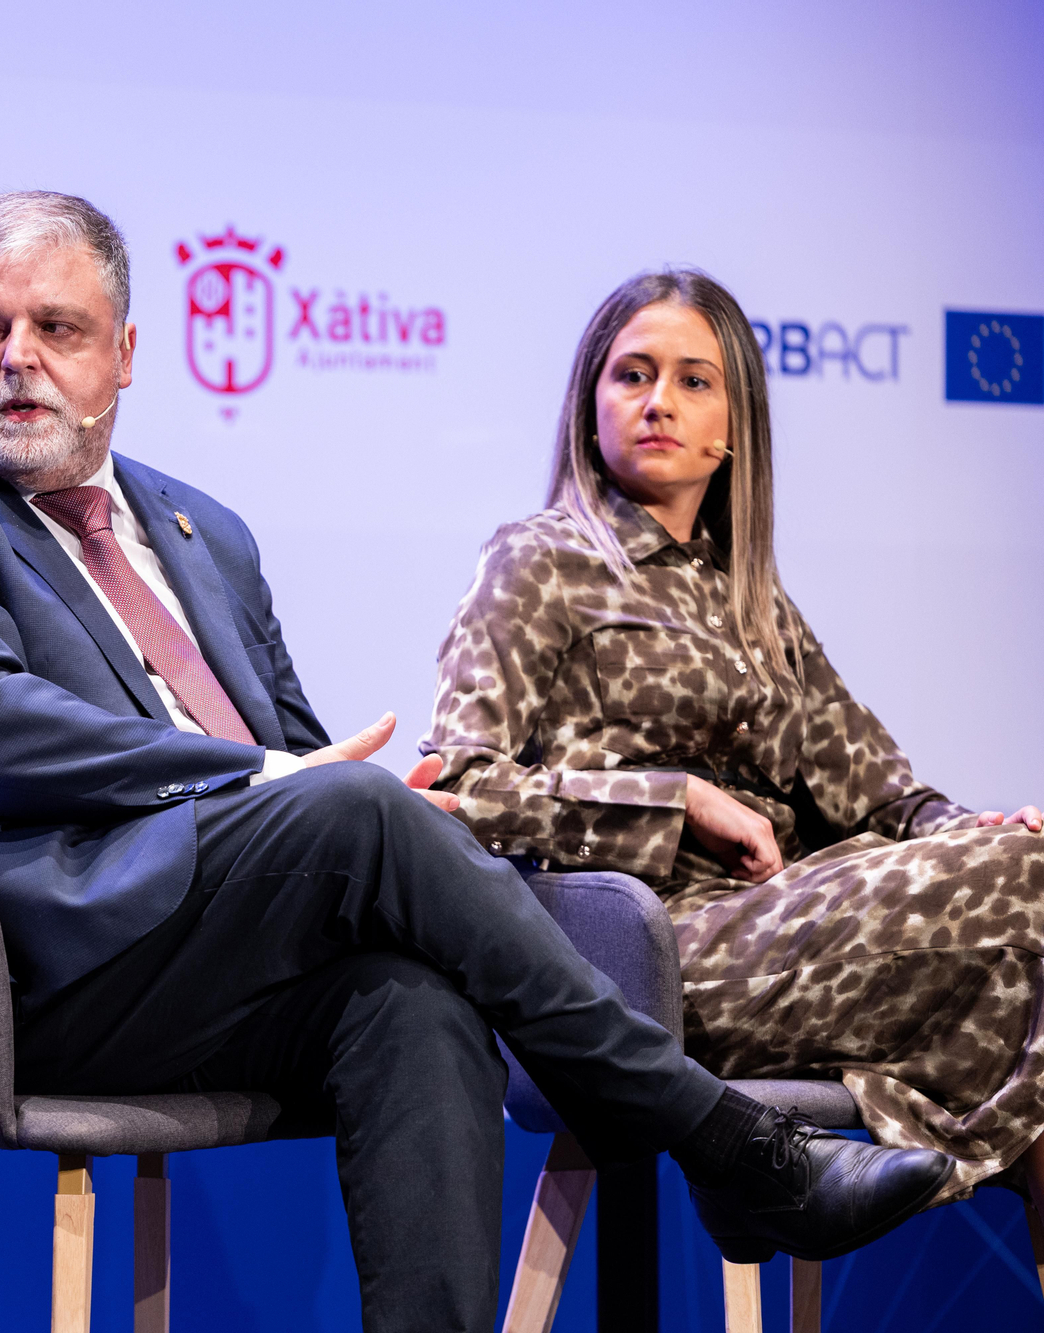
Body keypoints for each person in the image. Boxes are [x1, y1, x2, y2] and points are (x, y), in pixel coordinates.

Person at [0, 191, 952, 1330]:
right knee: (349, 810)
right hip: (44, 961)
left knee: (413, 998)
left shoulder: (202, 532)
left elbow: (294, 748)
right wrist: (272, 781)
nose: (15, 358)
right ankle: (725, 1142)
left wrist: (367, 801)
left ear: (125, 354)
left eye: (55, 326)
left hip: (217, 944)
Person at [421, 267, 1044, 1210]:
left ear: (735, 427)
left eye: (693, 380)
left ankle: (772, 1186)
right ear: (590, 406)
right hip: (647, 954)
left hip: (784, 921)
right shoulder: (539, 560)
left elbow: (887, 795)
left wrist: (979, 831)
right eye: (633, 375)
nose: (659, 402)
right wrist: (676, 801)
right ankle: (771, 1185)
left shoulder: (754, 602)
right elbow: (459, 788)